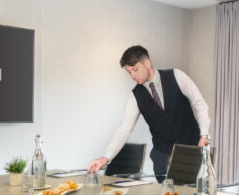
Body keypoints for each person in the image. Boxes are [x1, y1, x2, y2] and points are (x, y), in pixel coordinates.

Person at [88, 45, 210, 181]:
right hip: (163, 157)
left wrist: (204, 134)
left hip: (192, 150)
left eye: (135, 69)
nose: (133, 76)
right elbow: (125, 129)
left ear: (147, 63)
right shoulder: (135, 96)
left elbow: (200, 104)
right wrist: (106, 158)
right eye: (129, 72)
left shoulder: (177, 76)